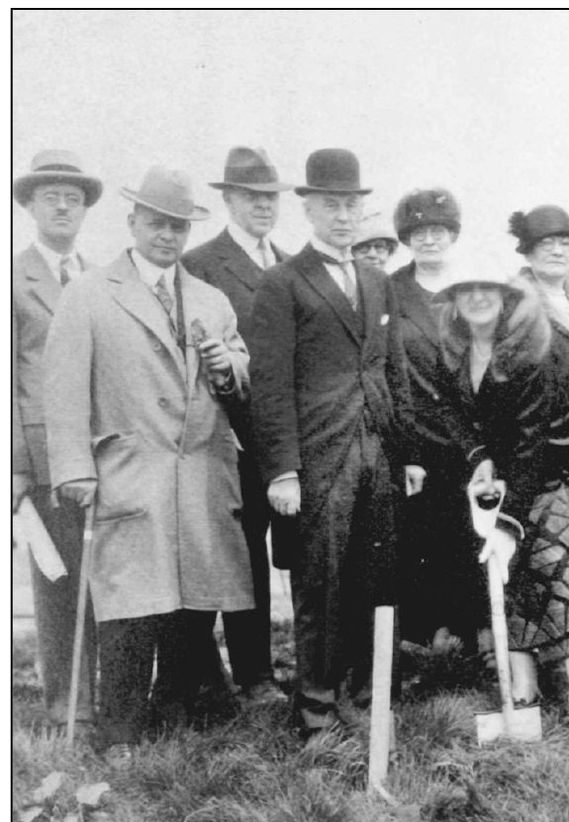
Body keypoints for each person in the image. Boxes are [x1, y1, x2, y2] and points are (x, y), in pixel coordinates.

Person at [44, 166, 252, 767]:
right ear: (133, 221)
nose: (167, 234)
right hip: (130, 470)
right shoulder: (88, 292)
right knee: (130, 606)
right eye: (157, 222)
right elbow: (62, 390)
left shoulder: (211, 299)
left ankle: (174, 712)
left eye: (178, 226)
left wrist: (222, 364)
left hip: (201, 476)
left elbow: (241, 382)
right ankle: (121, 734)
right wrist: (73, 468)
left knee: (193, 603)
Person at [247, 148, 409, 736]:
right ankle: (316, 710)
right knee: (319, 584)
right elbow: (269, 386)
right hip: (318, 458)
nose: (342, 216)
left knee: (374, 575)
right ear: (309, 208)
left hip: (377, 451)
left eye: (351, 205)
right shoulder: (282, 283)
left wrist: (405, 453)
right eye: (330, 205)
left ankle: (365, 695)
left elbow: (391, 372)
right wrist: (282, 471)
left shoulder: (376, 280)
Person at [409, 251, 569, 724]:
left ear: (505, 298)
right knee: (510, 584)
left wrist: (508, 518)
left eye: (488, 289)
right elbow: (449, 412)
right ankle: (523, 694)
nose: (477, 297)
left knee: (564, 586)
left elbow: (533, 441)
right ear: (454, 302)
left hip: (549, 479)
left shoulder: (532, 349)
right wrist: (480, 457)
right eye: (466, 290)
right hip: (503, 480)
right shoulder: (454, 350)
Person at [181, 146, 295, 704]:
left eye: (271, 198)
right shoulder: (202, 264)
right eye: (252, 198)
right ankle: (250, 677)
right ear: (227, 199)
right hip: (231, 436)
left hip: (289, 439)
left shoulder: (294, 262)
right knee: (239, 552)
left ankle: (305, 664)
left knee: (291, 551)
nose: (263, 208)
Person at [12, 150, 103, 731]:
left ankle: (107, 700)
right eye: (52, 196)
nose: (64, 205)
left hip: (101, 454)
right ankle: (69, 713)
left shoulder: (97, 279)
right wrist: (18, 468)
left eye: (73, 197)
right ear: (30, 205)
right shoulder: (12, 278)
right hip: (43, 459)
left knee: (102, 581)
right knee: (58, 585)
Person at [389, 187, 473, 649]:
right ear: (407, 238)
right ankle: (424, 640)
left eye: (438, 230)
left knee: (469, 535)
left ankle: (472, 634)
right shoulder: (391, 291)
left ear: (452, 235)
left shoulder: (474, 287)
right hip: (416, 432)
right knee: (421, 538)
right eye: (419, 232)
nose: (429, 240)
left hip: (468, 434)